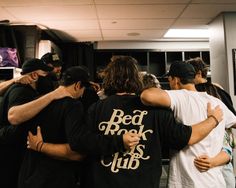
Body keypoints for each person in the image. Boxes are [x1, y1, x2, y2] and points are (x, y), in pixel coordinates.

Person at [28, 56, 224, 188]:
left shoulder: (97, 108)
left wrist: (41, 146)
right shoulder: (156, 111)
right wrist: (214, 119)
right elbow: (186, 137)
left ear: (109, 78)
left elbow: (79, 145)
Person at [17, 66, 140, 188]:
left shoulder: (38, 101)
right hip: (55, 177)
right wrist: (119, 141)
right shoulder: (73, 106)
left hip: (29, 173)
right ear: (77, 85)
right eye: (84, 88)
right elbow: (77, 148)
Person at [141, 61, 236, 188]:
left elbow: (147, 96)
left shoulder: (180, 96)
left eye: (170, 80)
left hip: (188, 182)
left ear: (175, 80)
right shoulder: (216, 102)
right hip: (215, 181)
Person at [0, 58, 54, 188]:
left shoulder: (27, 91)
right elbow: (15, 122)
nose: (47, 78)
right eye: (45, 74)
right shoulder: (21, 91)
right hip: (9, 155)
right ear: (34, 75)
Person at [187, 57, 236, 188]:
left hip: (203, 150)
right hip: (222, 151)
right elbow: (233, 121)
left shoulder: (193, 94)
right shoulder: (220, 91)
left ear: (198, 74)